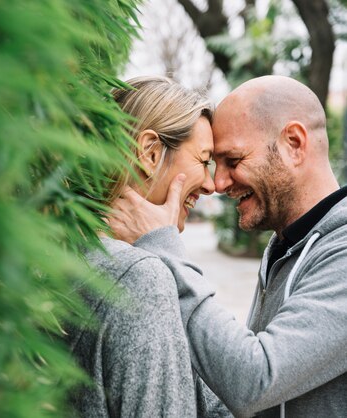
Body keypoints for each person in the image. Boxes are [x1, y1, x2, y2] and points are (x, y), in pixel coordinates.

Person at [108, 75, 347, 417]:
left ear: (294, 143)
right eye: (211, 163)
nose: (218, 183)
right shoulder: (286, 247)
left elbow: (254, 381)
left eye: (232, 161)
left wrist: (162, 247)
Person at [67, 75, 218, 417]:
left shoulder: (75, 249)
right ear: (150, 153)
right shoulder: (141, 276)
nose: (211, 184)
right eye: (203, 160)